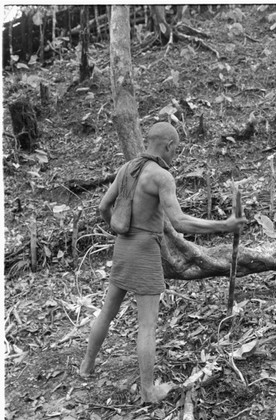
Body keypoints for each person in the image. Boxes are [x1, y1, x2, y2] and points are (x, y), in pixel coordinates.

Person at [80, 122, 246, 403]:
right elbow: (179, 221)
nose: (175, 155)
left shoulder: (127, 169)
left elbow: (102, 207)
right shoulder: (161, 176)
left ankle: (86, 367)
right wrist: (225, 224)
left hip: (123, 247)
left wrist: (121, 229)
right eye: (176, 150)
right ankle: (148, 392)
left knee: (108, 310)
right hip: (144, 251)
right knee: (147, 325)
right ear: (168, 146)